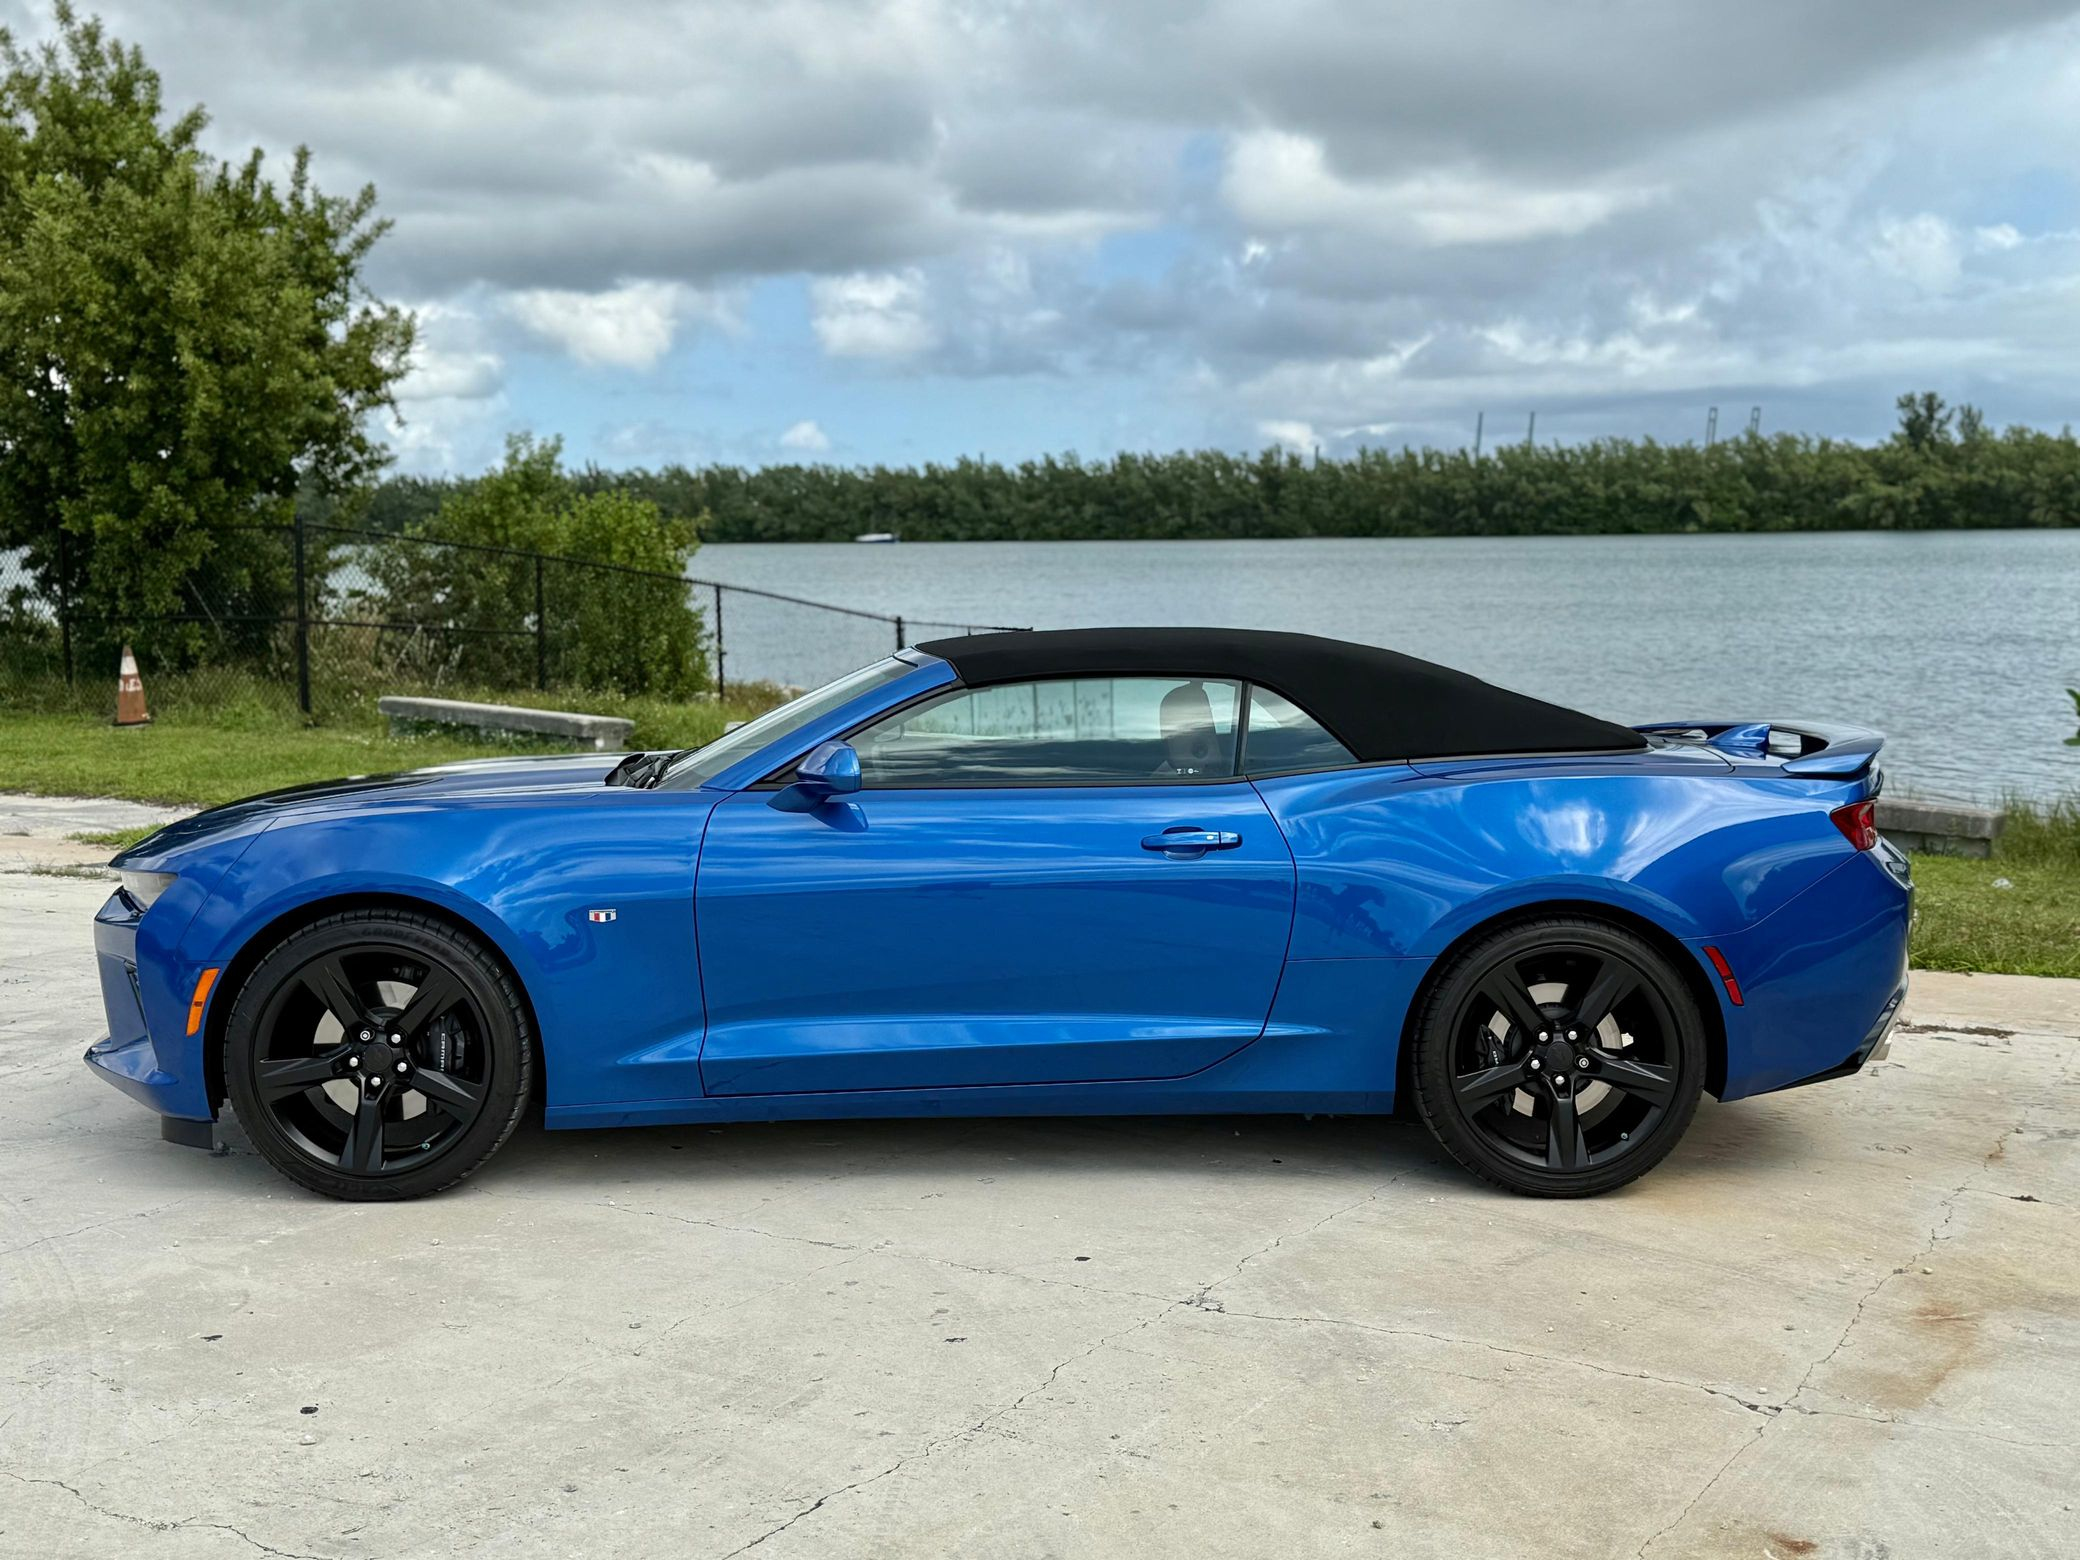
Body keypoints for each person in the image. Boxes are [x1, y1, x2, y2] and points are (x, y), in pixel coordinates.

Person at [1154, 681, 1224, 776]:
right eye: (1194, 718)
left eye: (1206, 714)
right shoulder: (1161, 780)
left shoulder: (1227, 768)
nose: (1207, 725)